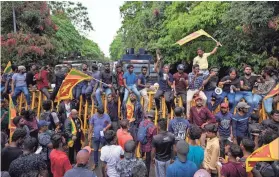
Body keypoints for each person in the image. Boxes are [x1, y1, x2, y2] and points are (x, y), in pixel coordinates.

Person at [138, 111, 157, 176]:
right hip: (149, 146)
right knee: (147, 162)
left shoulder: (141, 123)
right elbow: (154, 139)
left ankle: (139, 172)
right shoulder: (153, 127)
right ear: (153, 117)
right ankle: (146, 174)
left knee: (141, 158)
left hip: (141, 144)